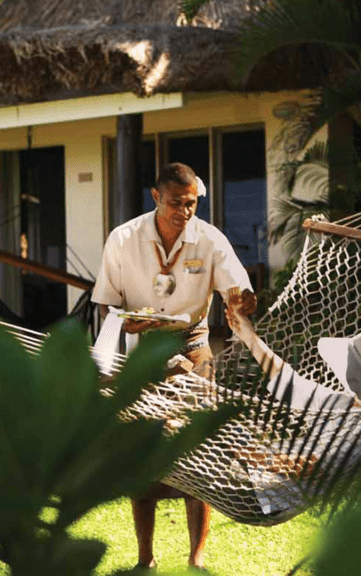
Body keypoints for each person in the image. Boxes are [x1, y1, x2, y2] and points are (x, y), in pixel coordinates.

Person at [91, 162, 257, 570]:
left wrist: (242, 300)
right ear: (155, 197)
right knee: (141, 454)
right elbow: (105, 304)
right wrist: (125, 320)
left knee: (198, 454)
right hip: (142, 350)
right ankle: (145, 558)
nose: (185, 212)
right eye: (176, 203)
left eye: (192, 203)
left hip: (194, 348)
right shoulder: (123, 238)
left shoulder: (209, 239)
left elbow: (237, 287)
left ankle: (196, 559)